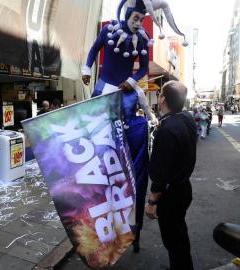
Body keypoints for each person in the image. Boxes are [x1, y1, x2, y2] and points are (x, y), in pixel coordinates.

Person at [82, 0, 187, 252]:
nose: (138, 22)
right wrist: (86, 69)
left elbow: (143, 68)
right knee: (95, 131)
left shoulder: (142, 37)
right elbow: (94, 50)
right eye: (135, 17)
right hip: (104, 89)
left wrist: (132, 79)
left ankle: (129, 221)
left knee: (128, 130)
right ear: (127, 13)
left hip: (125, 93)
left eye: (142, 18)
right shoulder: (109, 31)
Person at [146, 81, 196, 270]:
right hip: (184, 189)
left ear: (162, 99)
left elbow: (162, 173)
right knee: (179, 236)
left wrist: (152, 202)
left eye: (159, 94)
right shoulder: (186, 119)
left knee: (173, 240)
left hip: (171, 195)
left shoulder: (167, 130)